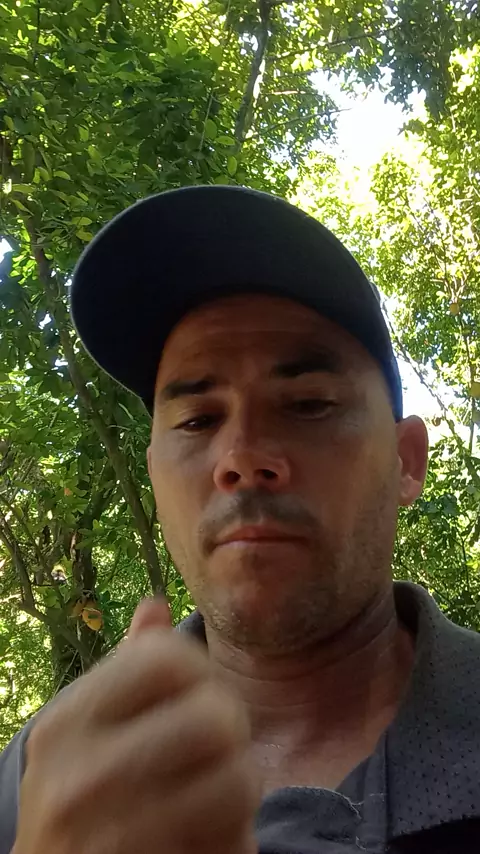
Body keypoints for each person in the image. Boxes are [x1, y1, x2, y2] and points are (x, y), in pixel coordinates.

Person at [2, 186, 480, 854]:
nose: (242, 457)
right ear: (154, 477)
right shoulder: (40, 774)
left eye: (309, 404)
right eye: (199, 420)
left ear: (406, 461)